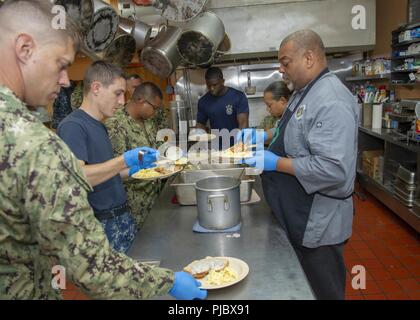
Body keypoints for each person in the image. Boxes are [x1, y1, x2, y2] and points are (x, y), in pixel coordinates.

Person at [0, 0, 205, 300]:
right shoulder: (29, 142)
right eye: (61, 65)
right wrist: (169, 283)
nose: (64, 80)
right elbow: (93, 267)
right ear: (24, 48)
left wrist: (123, 169)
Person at [240, 30, 358, 300]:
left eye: (285, 62)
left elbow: (333, 170)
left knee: (323, 290)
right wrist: (264, 135)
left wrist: (275, 163)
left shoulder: (332, 100)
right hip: (298, 212)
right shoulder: (304, 92)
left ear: (308, 58)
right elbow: (291, 130)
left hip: (319, 221)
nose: (281, 70)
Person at [57, 61, 153, 254]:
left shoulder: (99, 125)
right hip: (100, 224)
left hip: (121, 217)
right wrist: (123, 160)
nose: (122, 101)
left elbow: (103, 175)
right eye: (118, 93)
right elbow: (77, 177)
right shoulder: (73, 126)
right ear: (96, 88)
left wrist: (133, 170)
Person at [105, 82, 165, 229]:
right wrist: (137, 169)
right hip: (134, 206)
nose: (155, 112)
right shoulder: (116, 125)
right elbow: (114, 171)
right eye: (154, 108)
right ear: (141, 100)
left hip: (154, 198)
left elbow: (153, 150)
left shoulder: (148, 121)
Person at [196, 67, 249, 148]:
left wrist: (238, 146)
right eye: (209, 85)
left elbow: (243, 124)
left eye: (215, 85)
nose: (212, 88)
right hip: (216, 147)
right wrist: (204, 140)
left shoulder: (238, 96)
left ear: (223, 81)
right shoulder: (203, 101)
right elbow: (200, 124)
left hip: (236, 145)